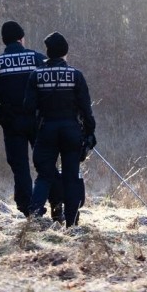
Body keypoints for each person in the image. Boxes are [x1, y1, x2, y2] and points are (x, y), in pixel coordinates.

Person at [24, 32, 95, 227]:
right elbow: (86, 109)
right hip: (71, 130)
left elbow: (28, 108)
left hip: (46, 130)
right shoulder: (76, 75)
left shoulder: (36, 76)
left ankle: (34, 217)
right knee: (71, 177)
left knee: (45, 175)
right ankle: (71, 224)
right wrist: (89, 133)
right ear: (65, 52)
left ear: (48, 52)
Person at [0, 20, 46, 217]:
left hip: (12, 123)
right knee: (45, 164)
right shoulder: (37, 58)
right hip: (37, 121)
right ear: (21, 39)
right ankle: (54, 204)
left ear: (4, 41)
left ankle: (29, 209)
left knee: (20, 166)